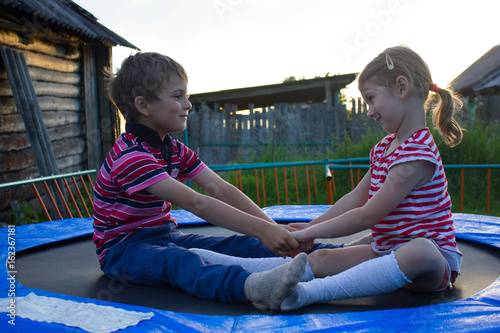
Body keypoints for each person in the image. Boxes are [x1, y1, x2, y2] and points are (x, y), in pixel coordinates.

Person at [92, 52, 337, 310]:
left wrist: (272, 227)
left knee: (236, 244)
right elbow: (196, 202)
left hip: (165, 235)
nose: (188, 104)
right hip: (123, 252)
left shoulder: (174, 149)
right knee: (181, 262)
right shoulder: (130, 155)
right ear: (143, 106)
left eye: (186, 95)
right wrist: (265, 231)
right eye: (178, 96)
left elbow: (219, 188)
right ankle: (253, 287)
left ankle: (336, 253)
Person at [279, 45, 464, 311]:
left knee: (419, 249)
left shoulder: (417, 154)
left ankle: (313, 292)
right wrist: (310, 228)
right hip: (388, 249)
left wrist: (310, 232)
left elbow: (367, 215)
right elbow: (356, 197)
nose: (369, 111)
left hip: (431, 265)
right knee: (322, 256)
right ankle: (259, 280)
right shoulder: (383, 148)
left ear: (401, 87)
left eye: (371, 98)